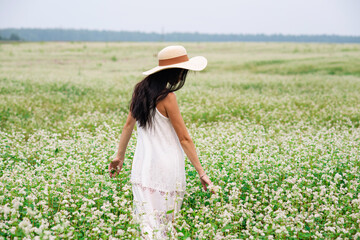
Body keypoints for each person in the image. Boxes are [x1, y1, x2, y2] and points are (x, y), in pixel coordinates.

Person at [108, 45, 214, 239]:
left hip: (141, 169)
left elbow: (127, 127)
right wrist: (201, 172)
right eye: (183, 71)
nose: (183, 76)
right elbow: (184, 138)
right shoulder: (168, 97)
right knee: (165, 226)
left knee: (147, 225)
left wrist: (119, 157)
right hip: (166, 170)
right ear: (176, 72)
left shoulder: (139, 92)